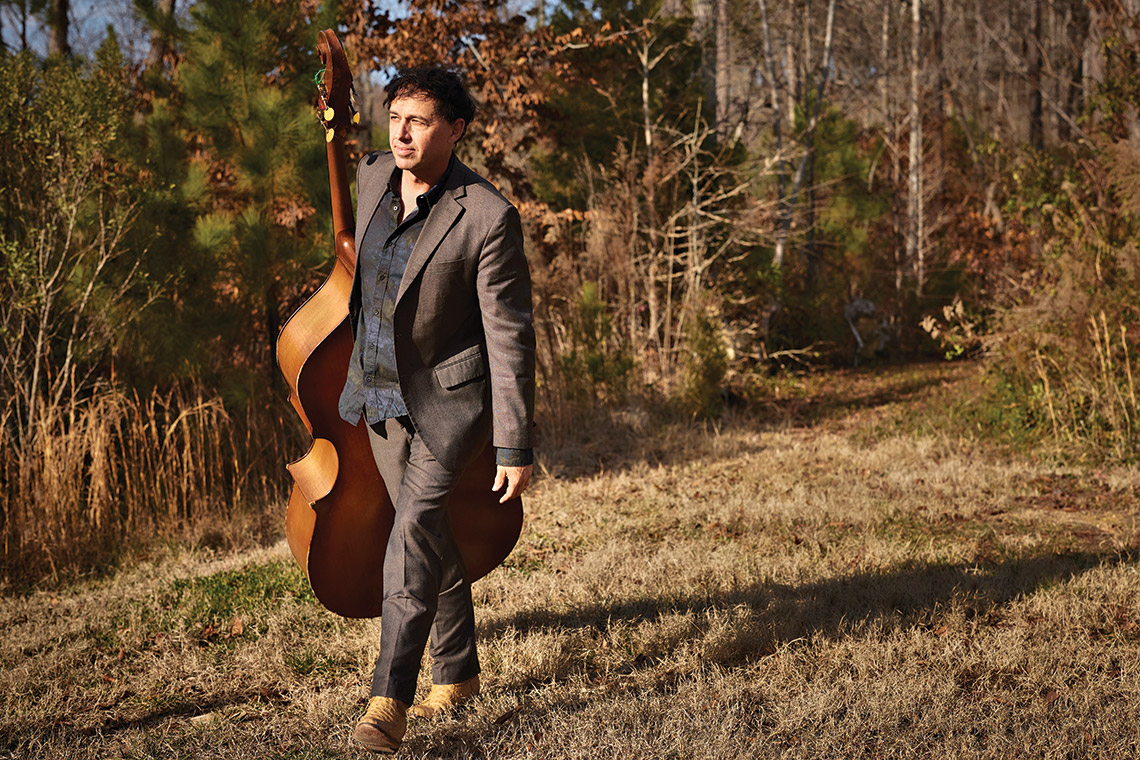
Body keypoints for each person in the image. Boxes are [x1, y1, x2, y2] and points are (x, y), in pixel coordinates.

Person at [339, 67, 535, 754]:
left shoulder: (487, 216)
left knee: (410, 539)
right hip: (379, 393)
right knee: (427, 539)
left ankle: (386, 700)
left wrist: (513, 444)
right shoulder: (368, 179)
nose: (401, 132)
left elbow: (509, 335)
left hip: (449, 400)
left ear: (454, 129)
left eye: (418, 120)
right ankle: (459, 672)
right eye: (394, 116)